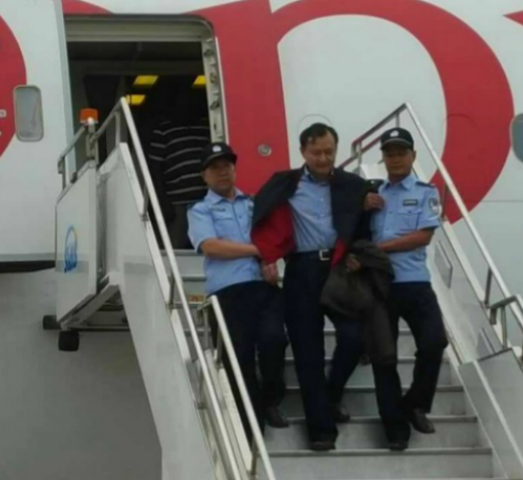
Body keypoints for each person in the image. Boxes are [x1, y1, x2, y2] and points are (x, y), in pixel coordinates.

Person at [250, 123, 372, 451]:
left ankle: (331, 395)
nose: (323, 158)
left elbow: (365, 227)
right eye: (316, 152)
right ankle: (321, 431)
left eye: (329, 151)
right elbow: (260, 218)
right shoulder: (283, 183)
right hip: (301, 270)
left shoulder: (352, 185)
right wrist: (266, 258)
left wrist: (360, 257)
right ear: (303, 151)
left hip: (341, 269)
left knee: (355, 338)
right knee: (307, 352)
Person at [187, 142, 289, 435]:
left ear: (235, 169)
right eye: (215, 168)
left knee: (275, 341)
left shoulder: (255, 204)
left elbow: (274, 239)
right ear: (204, 175)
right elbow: (211, 246)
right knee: (239, 357)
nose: (223, 172)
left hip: (263, 286)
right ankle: (251, 428)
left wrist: (268, 258)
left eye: (227, 166)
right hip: (227, 293)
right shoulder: (200, 210)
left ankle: (271, 399)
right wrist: (257, 250)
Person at [366, 127, 450, 438]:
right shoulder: (373, 195)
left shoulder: (426, 192)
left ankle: (415, 403)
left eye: (401, 153)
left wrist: (381, 248)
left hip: (414, 282)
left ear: (413, 156)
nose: (396, 158)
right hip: (380, 285)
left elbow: (423, 236)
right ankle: (394, 427)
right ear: (383, 158)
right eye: (389, 153)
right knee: (384, 357)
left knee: (434, 342)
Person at [148, 78, 211, 249]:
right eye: (183, 101)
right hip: (178, 205)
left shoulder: (207, 127)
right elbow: (155, 169)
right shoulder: (163, 130)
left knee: (208, 247)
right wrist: (162, 202)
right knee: (177, 250)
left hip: (207, 201)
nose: (187, 105)